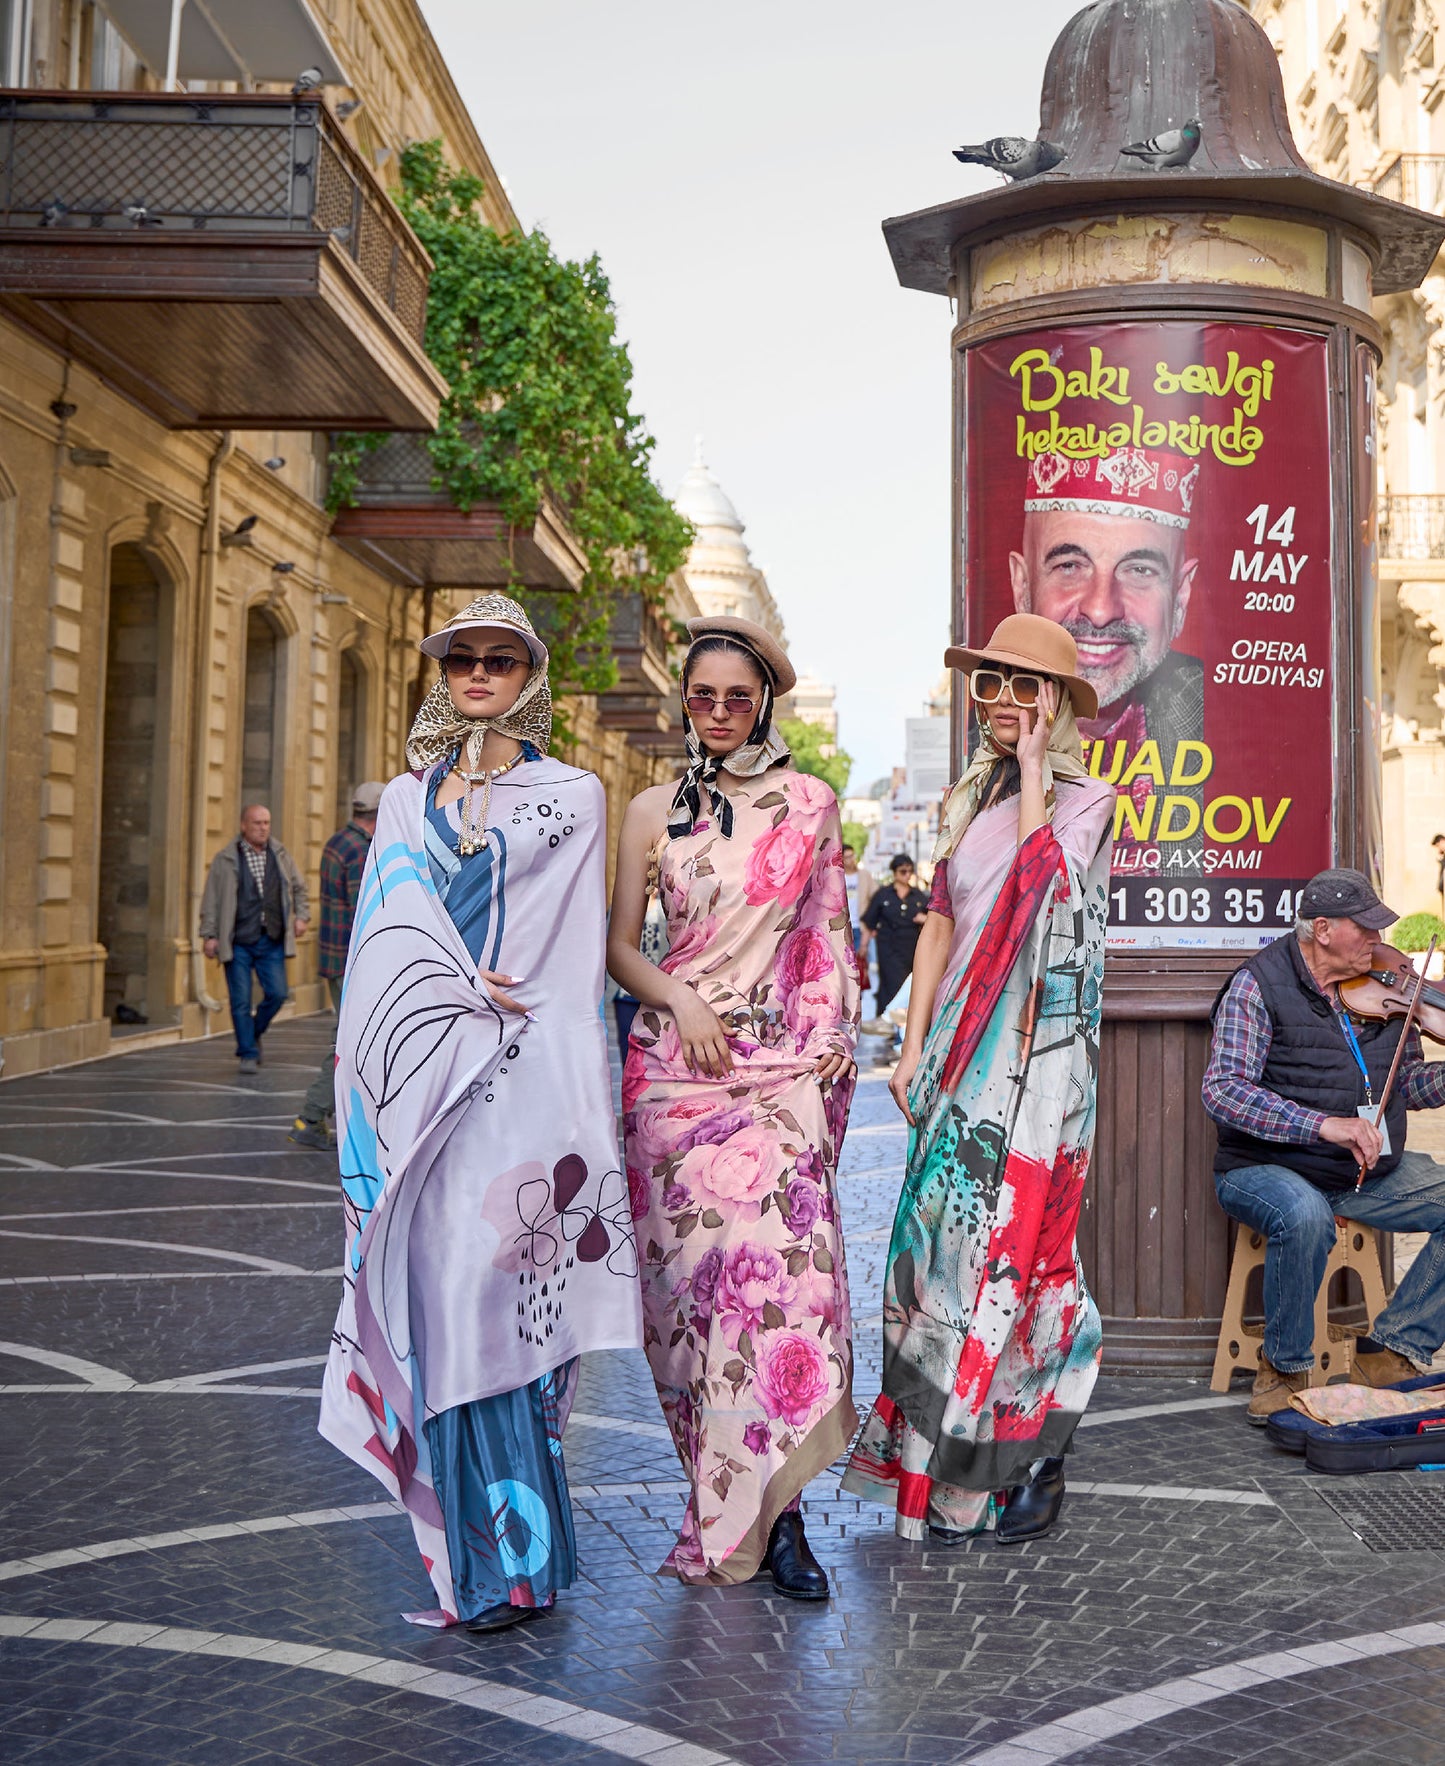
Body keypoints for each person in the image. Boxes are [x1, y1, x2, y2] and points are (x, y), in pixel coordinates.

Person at [319, 593, 642, 1635]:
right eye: (462, 659)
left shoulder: (574, 794)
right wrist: (444, 981)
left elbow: (564, 948)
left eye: (500, 661)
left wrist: (494, 999)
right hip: (423, 1087)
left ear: (527, 677)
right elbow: (382, 928)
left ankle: (523, 1568)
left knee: (510, 1310)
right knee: (444, 1308)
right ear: (442, 670)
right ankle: (478, 1567)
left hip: (520, 1092)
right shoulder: (409, 801)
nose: (478, 675)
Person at [843, 613, 1116, 1544]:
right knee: (942, 1253)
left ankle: (1035, 1459)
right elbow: (940, 926)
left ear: (1058, 702)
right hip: (958, 1055)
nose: (1001, 703)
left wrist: (1039, 770)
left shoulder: (1086, 799)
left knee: (1020, 1253)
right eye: (988, 684)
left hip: (1035, 1069)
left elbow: (1040, 898)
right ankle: (950, 1471)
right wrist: (911, 1046)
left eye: (1022, 686)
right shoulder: (965, 801)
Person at [608, 614, 860, 1599]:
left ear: (763, 702)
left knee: (785, 1292)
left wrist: (829, 1029)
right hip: (672, 1075)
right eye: (701, 694)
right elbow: (619, 944)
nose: (716, 713)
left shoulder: (810, 802)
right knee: (697, 1309)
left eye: (735, 697)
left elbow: (828, 931)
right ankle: (723, 1499)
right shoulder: (648, 808)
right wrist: (676, 998)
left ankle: (784, 1517)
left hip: (780, 1071)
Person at [1203, 867, 1445, 1423]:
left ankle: (1392, 1349)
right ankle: (1283, 1369)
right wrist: (1321, 1125)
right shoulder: (1257, 985)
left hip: (1361, 1172)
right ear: (1323, 929)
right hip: (1265, 1166)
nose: (1378, 943)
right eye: (1365, 929)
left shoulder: (1388, 986)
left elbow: (1408, 1084)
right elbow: (1222, 1090)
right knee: (1304, 1213)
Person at [1010, 446, 1202, 788]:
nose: (1100, 611)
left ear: (1180, 596)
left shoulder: (1228, 722)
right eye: (1069, 566)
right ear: (1022, 586)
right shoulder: (982, 735)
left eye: (1139, 570)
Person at [290, 782, 384, 1150]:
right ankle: (310, 1117)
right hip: (354, 960)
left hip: (335, 956)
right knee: (351, 1042)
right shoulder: (363, 851)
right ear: (379, 815)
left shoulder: (336, 842)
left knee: (354, 1040)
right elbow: (370, 909)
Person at [200, 804, 309, 1074]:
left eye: (266, 823)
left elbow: (299, 886)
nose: (263, 828)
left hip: (271, 937)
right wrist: (209, 934)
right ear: (244, 826)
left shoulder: (280, 854)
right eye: (257, 823)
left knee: (278, 993)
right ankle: (247, 1052)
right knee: (240, 1000)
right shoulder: (226, 858)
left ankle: (252, 1032)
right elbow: (211, 898)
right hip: (237, 940)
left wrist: (301, 916)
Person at [860, 853, 930, 1035]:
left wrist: (924, 919)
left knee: (910, 985)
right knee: (890, 984)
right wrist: (864, 947)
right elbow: (869, 921)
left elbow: (935, 921)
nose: (907, 875)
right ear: (895, 872)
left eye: (909, 871)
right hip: (888, 946)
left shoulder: (919, 896)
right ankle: (888, 1022)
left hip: (911, 947)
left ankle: (901, 1029)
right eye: (902, 871)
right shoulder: (883, 894)